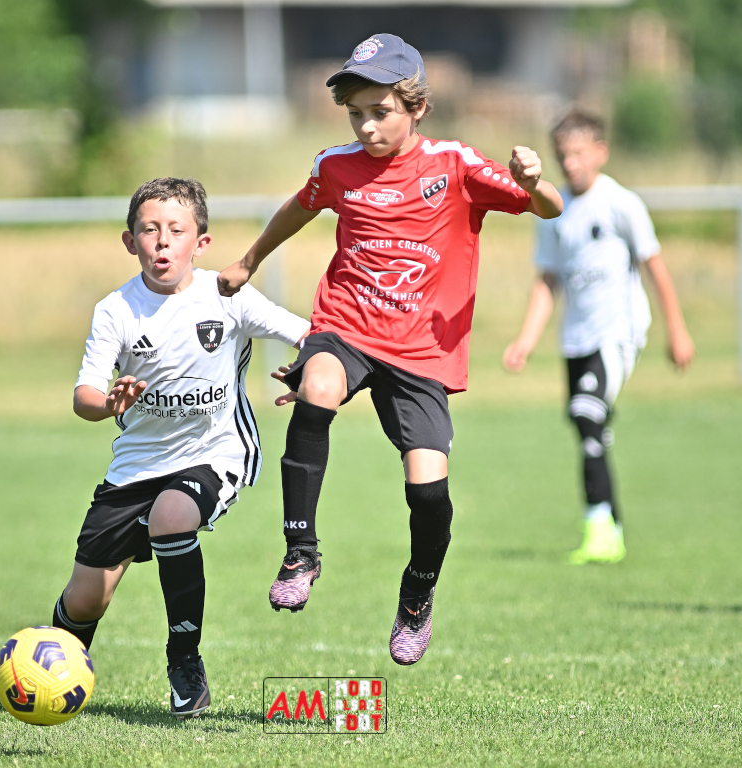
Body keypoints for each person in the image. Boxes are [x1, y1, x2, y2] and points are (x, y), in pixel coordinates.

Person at [217, 33, 563, 666]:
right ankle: (300, 553)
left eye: (380, 112)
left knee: (428, 491)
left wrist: (534, 182)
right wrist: (250, 259)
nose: (367, 127)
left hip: (421, 353)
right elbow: (299, 208)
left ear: (418, 107)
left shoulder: (455, 164)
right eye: (356, 114)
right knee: (317, 387)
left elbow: (549, 208)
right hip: (347, 325)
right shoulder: (336, 166)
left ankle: (417, 596)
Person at [51, 178, 309, 718]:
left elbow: (307, 334)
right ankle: (50, 673)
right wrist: (110, 404)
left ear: (202, 242)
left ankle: (184, 663)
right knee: (85, 600)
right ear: (131, 242)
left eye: (176, 230)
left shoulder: (227, 296)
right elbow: (84, 397)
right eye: (149, 230)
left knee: (172, 516)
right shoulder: (116, 310)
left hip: (216, 452)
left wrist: (312, 370)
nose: (162, 241)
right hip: (135, 466)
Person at [502, 109, 694, 564]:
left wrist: (677, 330)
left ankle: (599, 530)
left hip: (618, 331)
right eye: (562, 155)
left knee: (585, 413)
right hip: (576, 337)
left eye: (578, 154)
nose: (570, 164)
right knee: (590, 430)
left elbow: (654, 266)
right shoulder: (552, 209)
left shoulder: (620, 203)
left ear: (600, 153)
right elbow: (548, 280)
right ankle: (610, 528)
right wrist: (526, 339)